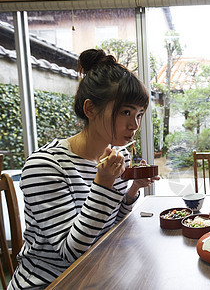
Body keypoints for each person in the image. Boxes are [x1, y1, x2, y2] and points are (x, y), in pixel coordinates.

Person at [8, 49, 159, 289]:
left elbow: (110, 226)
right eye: (125, 112)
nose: (134, 124)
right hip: (49, 283)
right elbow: (71, 252)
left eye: (139, 114)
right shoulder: (46, 165)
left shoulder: (117, 158)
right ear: (90, 109)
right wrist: (103, 184)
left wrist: (132, 191)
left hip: (98, 273)